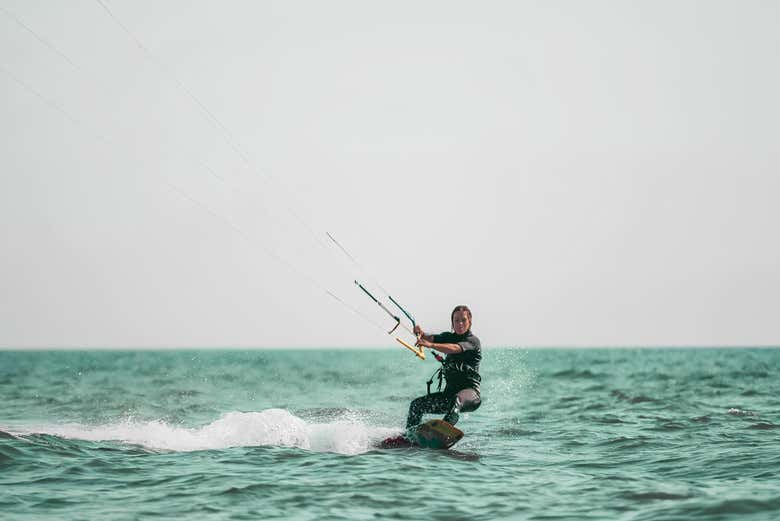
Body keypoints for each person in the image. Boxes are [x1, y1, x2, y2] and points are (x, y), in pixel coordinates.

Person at [406, 305, 482, 430]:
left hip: (470, 396)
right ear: (452, 322)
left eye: (463, 320)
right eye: (456, 320)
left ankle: (442, 432)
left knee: (457, 400)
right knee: (416, 405)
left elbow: (455, 348)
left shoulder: (473, 341)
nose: (460, 323)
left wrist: (430, 345)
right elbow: (429, 337)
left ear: (470, 321)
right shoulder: (448, 337)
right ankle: (410, 435)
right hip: (449, 396)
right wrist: (420, 333)